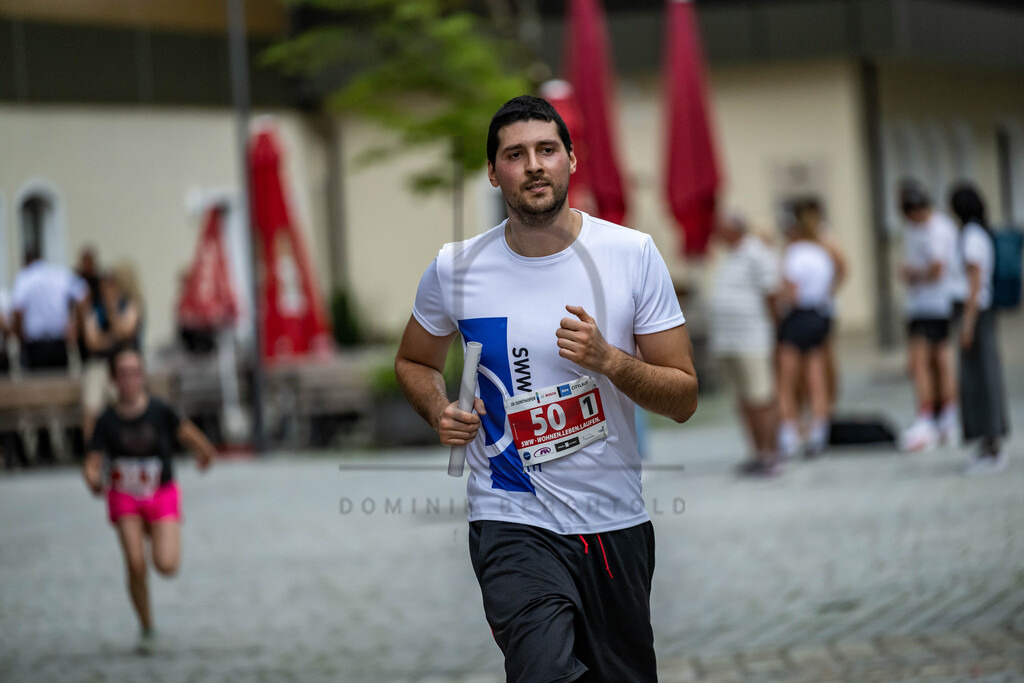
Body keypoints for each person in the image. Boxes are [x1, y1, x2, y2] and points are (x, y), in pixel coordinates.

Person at [394, 95, 698, 681]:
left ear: (571, 160)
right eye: (515, 154)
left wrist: (610, 360)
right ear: (492, 172)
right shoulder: (457, 267)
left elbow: (683, 397)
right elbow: (413, 360)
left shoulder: (631, 254)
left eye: (546, 150)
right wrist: (438, 409)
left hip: (613, 521)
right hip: (509, 518)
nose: (533, 165)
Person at [82, 343, 216, 652]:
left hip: (160, 491)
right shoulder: (106, 420)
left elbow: (188, 433)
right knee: (135, 562)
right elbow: (92, 460)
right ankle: (146, 626)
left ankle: (152, 529)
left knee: (166, 565)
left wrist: (206, 453)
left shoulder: (160, 410)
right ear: (113, 379)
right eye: (124, 374)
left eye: (135, 373)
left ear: (143, 376)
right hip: (124, 496)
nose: (130, 380)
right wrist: (92, 478)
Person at [708, 210, 781, 475]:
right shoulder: (730, 255)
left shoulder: (757, 253)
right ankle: (756, 452)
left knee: (761, 398)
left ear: (735, 229)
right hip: (729, 341)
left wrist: (776, 332)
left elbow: (772, 293)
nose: (716, 233)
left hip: (752, 339)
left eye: (721, 227)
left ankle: (771, 453)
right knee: (743, 400)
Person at [949, 184, 1010, 473]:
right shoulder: (977, 234)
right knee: (978, 379)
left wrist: (968, 322)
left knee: (982, 379)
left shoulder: (972, 236)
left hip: (976, 311)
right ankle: (986, 443)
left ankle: (992, 446)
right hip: (976, 311)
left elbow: (974, 281)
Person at [897, 181, 960, 451]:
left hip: (932, 304)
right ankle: (946, 415)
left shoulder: (936, 229)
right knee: (939, 360)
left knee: (920, 362)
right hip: (926, 304)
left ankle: (928, 416)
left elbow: (937, 268)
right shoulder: (919, 228)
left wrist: (912, 274)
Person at [776, 199, 838, 459]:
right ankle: (818, 430)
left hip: (798, 316)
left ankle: (789, 432)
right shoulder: (822, 253)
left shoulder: (795, 254)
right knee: (816, 377)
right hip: (819, 314)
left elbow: (791, 292)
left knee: (787, 379)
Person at [81, 271, 143, 442]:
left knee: (127, 401)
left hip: (123, 361)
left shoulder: (128, 305)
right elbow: (92, 342)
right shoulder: (94, 309)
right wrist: (114, 338)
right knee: (91, 406)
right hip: (100, 363)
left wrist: (112, 310)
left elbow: (126, 332)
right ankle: (91, 448)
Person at [11, 247, 88, 370]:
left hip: (34, 345)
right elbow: (82, 294)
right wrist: (77, 327)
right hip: (59, 342)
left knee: (35, 381)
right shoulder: (60, 274)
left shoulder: (25, 277)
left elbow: (17, 310)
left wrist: (19, 336)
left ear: (26, 261)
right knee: (60, 379)